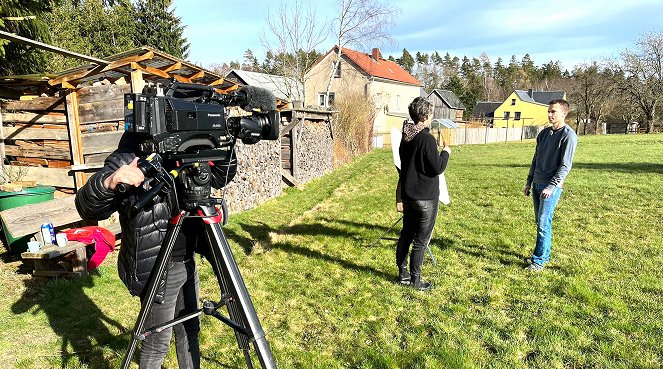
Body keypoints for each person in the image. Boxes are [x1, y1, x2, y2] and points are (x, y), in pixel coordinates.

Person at [75, 133, 235, 368]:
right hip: (157, 265)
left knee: (190, 328)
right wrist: (110, 182)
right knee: (157, 341)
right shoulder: (134, 151)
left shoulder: (195, 146)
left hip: (187, 258)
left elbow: (221, 176)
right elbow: (87, 207)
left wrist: (223, 140)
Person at [396, 97, 450, 291]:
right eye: (431, 114)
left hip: (408, 195)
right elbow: (437, 168)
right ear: (426, 116)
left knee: (406, 235)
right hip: (426, 197)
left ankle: (402, 274)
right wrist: (446, 152)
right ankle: (416, 281)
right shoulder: (426, 139)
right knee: (421, 240)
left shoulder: (405, 137)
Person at [523, 98, 577, 272]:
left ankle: (538, 261)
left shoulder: (568, 135)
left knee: (543, 224)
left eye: (553, 111)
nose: (550, 114)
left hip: (550, 188)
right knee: (541, 223)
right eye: (549, 111)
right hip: (537, 184)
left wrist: (551, 186)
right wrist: (529, 181)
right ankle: (543, 256)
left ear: (564, 113)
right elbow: (535, 159)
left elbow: (565, 166)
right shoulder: (544, 134)